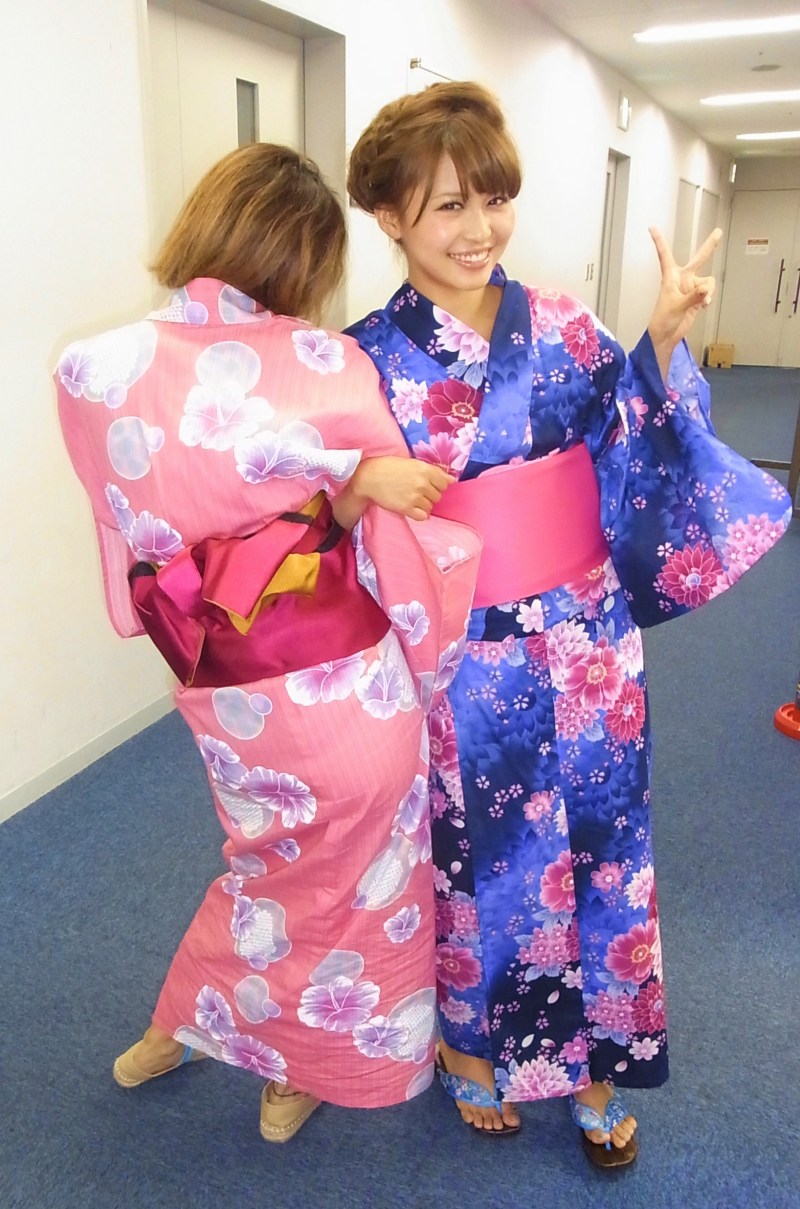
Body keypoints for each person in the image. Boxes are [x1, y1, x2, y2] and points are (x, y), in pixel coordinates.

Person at [345, 82, 792, 1165]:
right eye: (448, 205)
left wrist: (661, 339)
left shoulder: (561, 324)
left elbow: (629, 433)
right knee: (476, 853)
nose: (478, 229)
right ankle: (472, 1047)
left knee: (601, 845)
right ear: (390, 215)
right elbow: (321, 506)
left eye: (494, 199)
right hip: (465, 650)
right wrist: (359, 484)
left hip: (588, 641)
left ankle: (595, 1058)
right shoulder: (362, 358)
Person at [55, 143, 482, 1143]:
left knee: (265, 872)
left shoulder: (91, 369)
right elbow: (393, 540)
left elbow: (126, 540)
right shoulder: (328, 363)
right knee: (352, 888)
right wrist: (360, 511)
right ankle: (297, 1073)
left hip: (226, 685)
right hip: (346, 684)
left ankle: (180, 1026)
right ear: (306, 258)